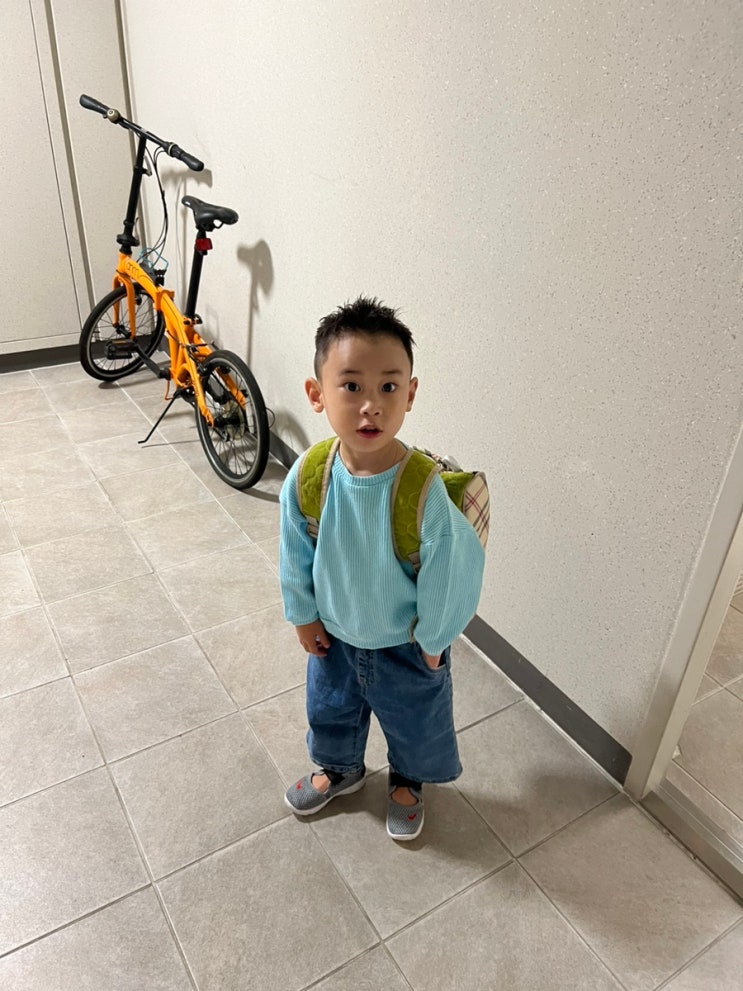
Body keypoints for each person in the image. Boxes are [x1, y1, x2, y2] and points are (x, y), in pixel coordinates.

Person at [278, 295, 485, 840]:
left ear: (410, 394)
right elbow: (294, 552)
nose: (371, 406)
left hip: (406, 644)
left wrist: (434, 640)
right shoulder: (311, 475)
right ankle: (340, 769)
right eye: (351, 386)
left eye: (388, 388)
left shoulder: (422, 489)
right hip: (334, 636)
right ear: (317, 394)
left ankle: (407, 779)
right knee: (331, 711)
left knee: (415, 722)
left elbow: (450, 573)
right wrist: (303, 614)